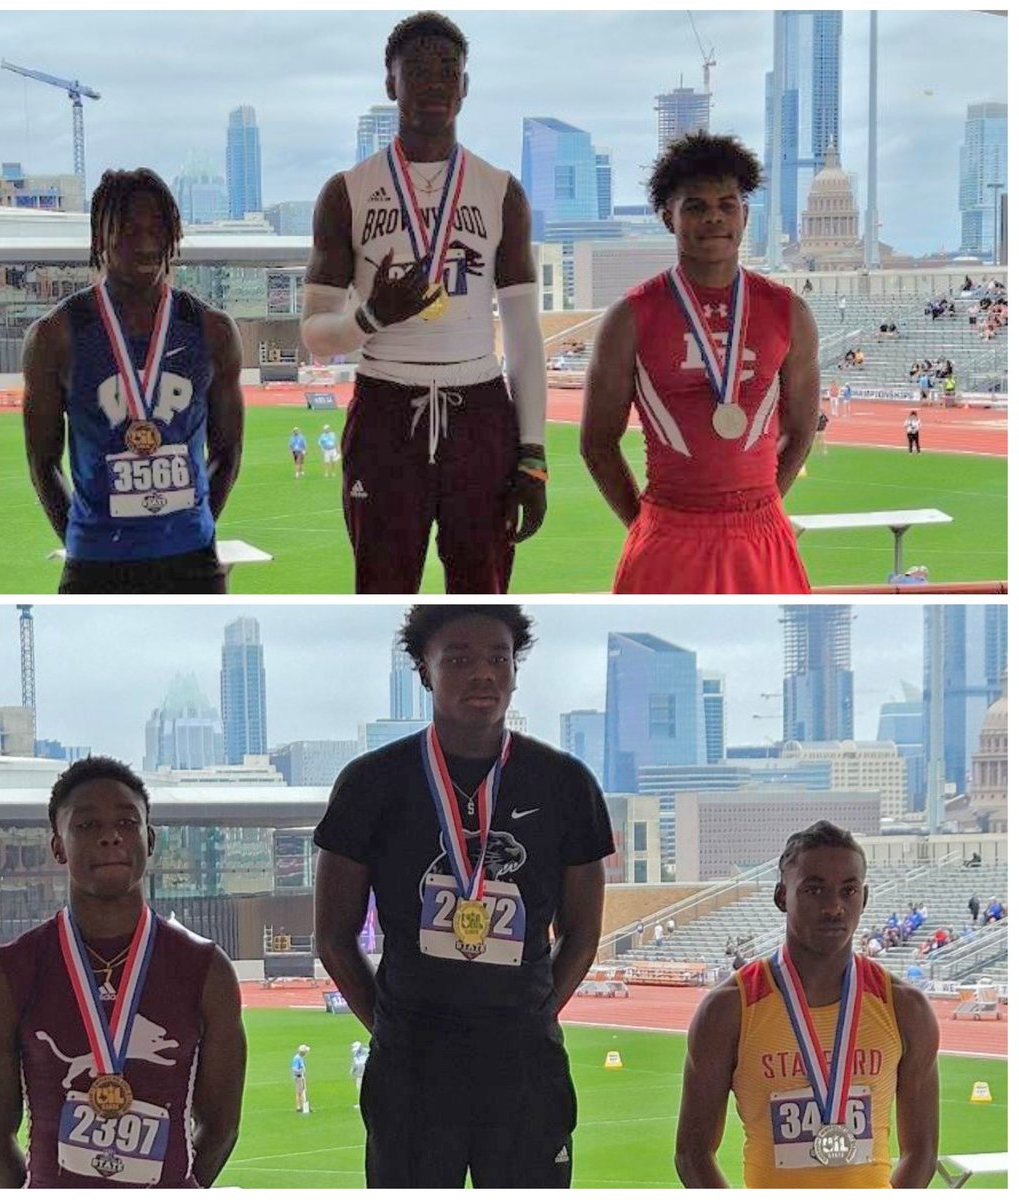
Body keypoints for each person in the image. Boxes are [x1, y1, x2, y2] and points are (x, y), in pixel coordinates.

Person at [314, 604, 614, 1187]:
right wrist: (394, 1027)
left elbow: (582, 933)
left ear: (515, 670)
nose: (482, 673)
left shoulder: (565, 782)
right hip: (411, 1070)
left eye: (499, 658)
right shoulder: (371, 782)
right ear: (423, 671)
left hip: (525, 1068)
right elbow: (333, 936)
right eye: (458, 659)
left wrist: (531, 1016)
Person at [301, 12, 548, 594]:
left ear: (466, 85)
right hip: (386, 406)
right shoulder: (346, 192)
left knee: (483, 592)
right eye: (416, 70)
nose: (434, 82)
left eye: (448, 69)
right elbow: (313, 332)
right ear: (390, 83)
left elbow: (522, 333)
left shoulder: (501, 192)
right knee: (381, 591)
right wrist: (371, 317)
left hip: (479, 409)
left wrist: (533, 453)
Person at [0, 756, 246, 1187]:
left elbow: (222, 1126)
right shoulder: (7, 971)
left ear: (150, 839)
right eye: (87, 825)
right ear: (58, 846)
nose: (111, 835)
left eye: (127, 822)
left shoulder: (206, 969)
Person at [581, 133, 817, 594]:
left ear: (745, 215)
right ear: (667, 217)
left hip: (763, 534)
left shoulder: (788, 312)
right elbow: (597, 443)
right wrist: (648, 524)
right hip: (667, 530)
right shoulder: (630, 317)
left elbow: (802, 430)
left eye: (727, 205)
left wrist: (762, 504)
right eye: (695, 206)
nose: (714, 217)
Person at [675, 821, 939, 1188]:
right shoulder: (728, 1009)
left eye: (848, 891)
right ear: (781, 896)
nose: (834, 907)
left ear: (864, 898)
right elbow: (693, 1153)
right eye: (814, 890)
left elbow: (922, 1153)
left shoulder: (905, 1008)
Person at [23, 168, 244, 594]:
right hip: (94, 565)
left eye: (157, 226)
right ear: (101, 236)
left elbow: (228, 451)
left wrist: (194, 527)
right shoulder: (55, 336)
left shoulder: (212, 330)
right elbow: (41, 462)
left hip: (193, 563)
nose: (145, 242)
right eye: (127, 229)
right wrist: (82, 540)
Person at [291, 1044, 310, 1113]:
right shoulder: (297, 1058)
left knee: (301, 1091)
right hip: (298, 1077)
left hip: (301, 1077)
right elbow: (294, 1069)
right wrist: (301, 1071)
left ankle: (301, 1105)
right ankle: (300, 1106)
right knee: (300, 1092)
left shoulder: (300, 1058)